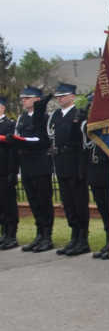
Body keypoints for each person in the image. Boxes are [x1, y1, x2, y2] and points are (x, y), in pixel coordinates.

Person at [48, 83, 91, 256]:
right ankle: (74, 235)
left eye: (63, 95)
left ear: (73, 96)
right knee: (68, 202)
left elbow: (81, 145)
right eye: (58, 96)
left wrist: (82, 168)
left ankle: (83, 238)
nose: (59, 98)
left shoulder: (78, 114)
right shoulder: (56, 115)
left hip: (74, 162)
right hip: (61, 163)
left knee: (79, 202)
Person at [83, 93, 109, 260]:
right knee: (102, 209)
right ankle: (108, 239)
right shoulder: (88, 124)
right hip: (94, 170)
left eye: (95, 103)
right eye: (91, 104)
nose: (93, 106)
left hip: (108, 169)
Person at [16, 86, 55, 252]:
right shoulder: (22, 118)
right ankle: (39, 233)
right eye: (22, 98)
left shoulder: (44, 117)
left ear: (37, 99)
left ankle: (47, 235)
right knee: (33, 201)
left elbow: (46, 140)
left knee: (43, 200)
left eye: (27, 97)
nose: (24, 100)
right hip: (26, 163)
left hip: (40, 162)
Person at [0, 96, 22, 250]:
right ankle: (4, 233)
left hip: (4, 169)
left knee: (8, 202)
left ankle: (12, 234)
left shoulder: (9, 125)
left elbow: (12, 151)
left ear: (3, 107)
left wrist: (12, 172)